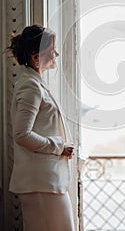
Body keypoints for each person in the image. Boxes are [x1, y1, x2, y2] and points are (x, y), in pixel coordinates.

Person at [7, 24, 75, 231]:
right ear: (36, 57)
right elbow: (22, 135)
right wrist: (58, 146)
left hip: (45, 181)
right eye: (52, 49)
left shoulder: (36, 83)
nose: (56, 53)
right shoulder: (30, 86)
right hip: (40, 182)